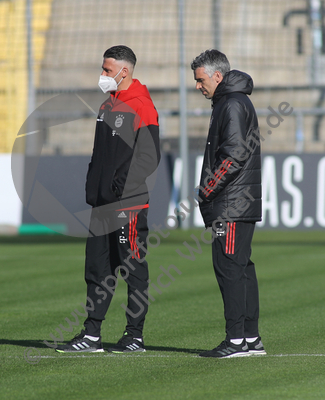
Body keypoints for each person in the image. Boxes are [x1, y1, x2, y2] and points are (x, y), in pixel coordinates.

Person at [56, 45, 160, 354]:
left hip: (127, 205)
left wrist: (119, 188)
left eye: (106, 69)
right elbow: (98, 155)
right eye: (103, 68)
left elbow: (149, 157)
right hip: (101, 205)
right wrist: (94, 188)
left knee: (132, 269)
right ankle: (92, 335)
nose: (102, 74)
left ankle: (135, 336)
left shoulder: (142, 106)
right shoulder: (107, 106)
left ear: (123, 71)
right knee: (97, 270)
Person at [191, 49, 266, 358]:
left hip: (231, 204)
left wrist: (208, 188)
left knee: (230, 269)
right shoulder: (232, 101)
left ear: (217, 76)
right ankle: (250, 339)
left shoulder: (232, 104)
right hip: (238, 201)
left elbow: (233, 155)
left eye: (200, 79)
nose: (198, 86)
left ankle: (236, 340)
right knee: (241, 268)